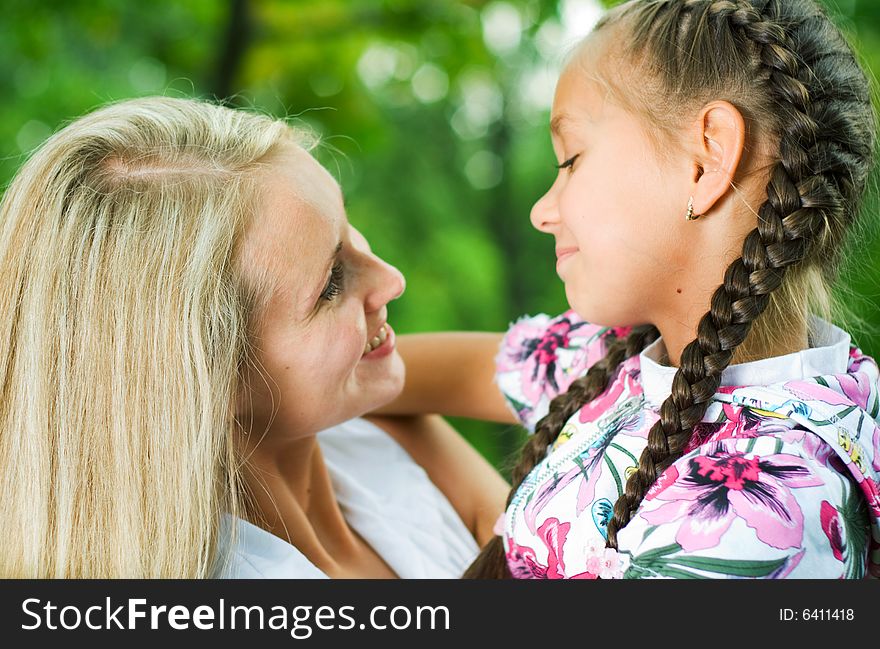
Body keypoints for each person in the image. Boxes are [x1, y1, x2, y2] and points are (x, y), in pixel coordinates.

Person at [384, 0, 880, 578]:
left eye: (570, 160)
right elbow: (373, 379)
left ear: (707, 159)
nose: (542, 211)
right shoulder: (614, 359)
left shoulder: (755, 517)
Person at [0, 96, 508, 578]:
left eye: (349, 231)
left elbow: (557, 372)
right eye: (330, 285)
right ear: (202, 380)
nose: (390, 279)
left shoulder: (380, 426)